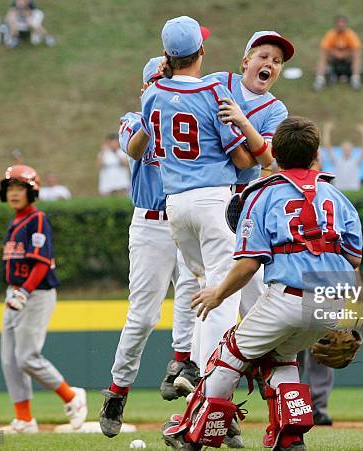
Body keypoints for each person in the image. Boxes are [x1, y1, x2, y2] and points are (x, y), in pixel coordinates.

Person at [162, 116, 363, 451]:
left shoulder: (262, 195)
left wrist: (217, 294)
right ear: (315, 155)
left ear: (275, 154)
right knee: (281, 358)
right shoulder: (337, 196)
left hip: (288, 296)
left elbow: (248, 264)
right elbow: (353, 259)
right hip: (331, 300)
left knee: (228, 355)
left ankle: (195, 434)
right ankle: (291, 437)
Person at [136, 16, 271, 386]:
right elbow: (244, 161)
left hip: (174, 207)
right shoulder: (213, 93)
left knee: (201, 289)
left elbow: (143, 137)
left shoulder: (151, 95)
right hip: (214, 201)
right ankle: (212, 388)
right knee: (223, 297)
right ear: (201, 51)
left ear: (167, 55)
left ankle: (190, 366)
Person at [99, 57, 200, 439]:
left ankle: (190, 378)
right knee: (142, 317)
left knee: (198, 306)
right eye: (163, 80)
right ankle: (118, 391)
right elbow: (138, 148)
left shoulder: (195, 113)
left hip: (189, 219)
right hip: (151, 223)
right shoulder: (134, 117)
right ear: (149, 86)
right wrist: (151, 109)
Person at [203, 30, 293, 317]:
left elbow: (265, 156)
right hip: (205, 191)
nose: (270, 64)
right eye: (263, 56)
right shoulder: (218, 82)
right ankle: (194, 357)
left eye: (277, 61)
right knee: (201, 281)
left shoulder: (276, 109)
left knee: (249, 283)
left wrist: (240, 122)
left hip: (242, 201)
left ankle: (262, 352)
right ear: (245, 61)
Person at [0, 164, 88, 433]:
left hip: (35, 293)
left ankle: (72, 398)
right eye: (10, 188)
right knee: (9, 360)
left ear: (32, 192)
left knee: (26, 357)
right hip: (15, 292)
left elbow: (41, 263)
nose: (14, 193)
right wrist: (16, 292)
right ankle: (24, 419)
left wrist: (24, 292)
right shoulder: (15, 221)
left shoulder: (37, 219)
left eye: (20, 188)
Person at [313, 16, 362, 92]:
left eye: (342, 23)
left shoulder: (350, 34)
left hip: (347, 57)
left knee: (357, 55)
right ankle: (319, 80)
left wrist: (344, 53)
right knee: (323, 55)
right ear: (336, 25)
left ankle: (355, 79)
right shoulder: (331, 34)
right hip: (334, 57)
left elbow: (356, 48)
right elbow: (324, 47)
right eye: (339, 23)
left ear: (345, 24)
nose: (341, 25)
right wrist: (335, 53)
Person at [319, 121, 363, 191]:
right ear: (342, 150)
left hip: (354, 190)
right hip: (340, 190)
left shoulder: (356, 161)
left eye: (348, 149)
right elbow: (327, 146)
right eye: (345, 149)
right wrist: (327, 130)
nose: (347, 151)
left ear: (352, 150)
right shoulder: (337, 161)